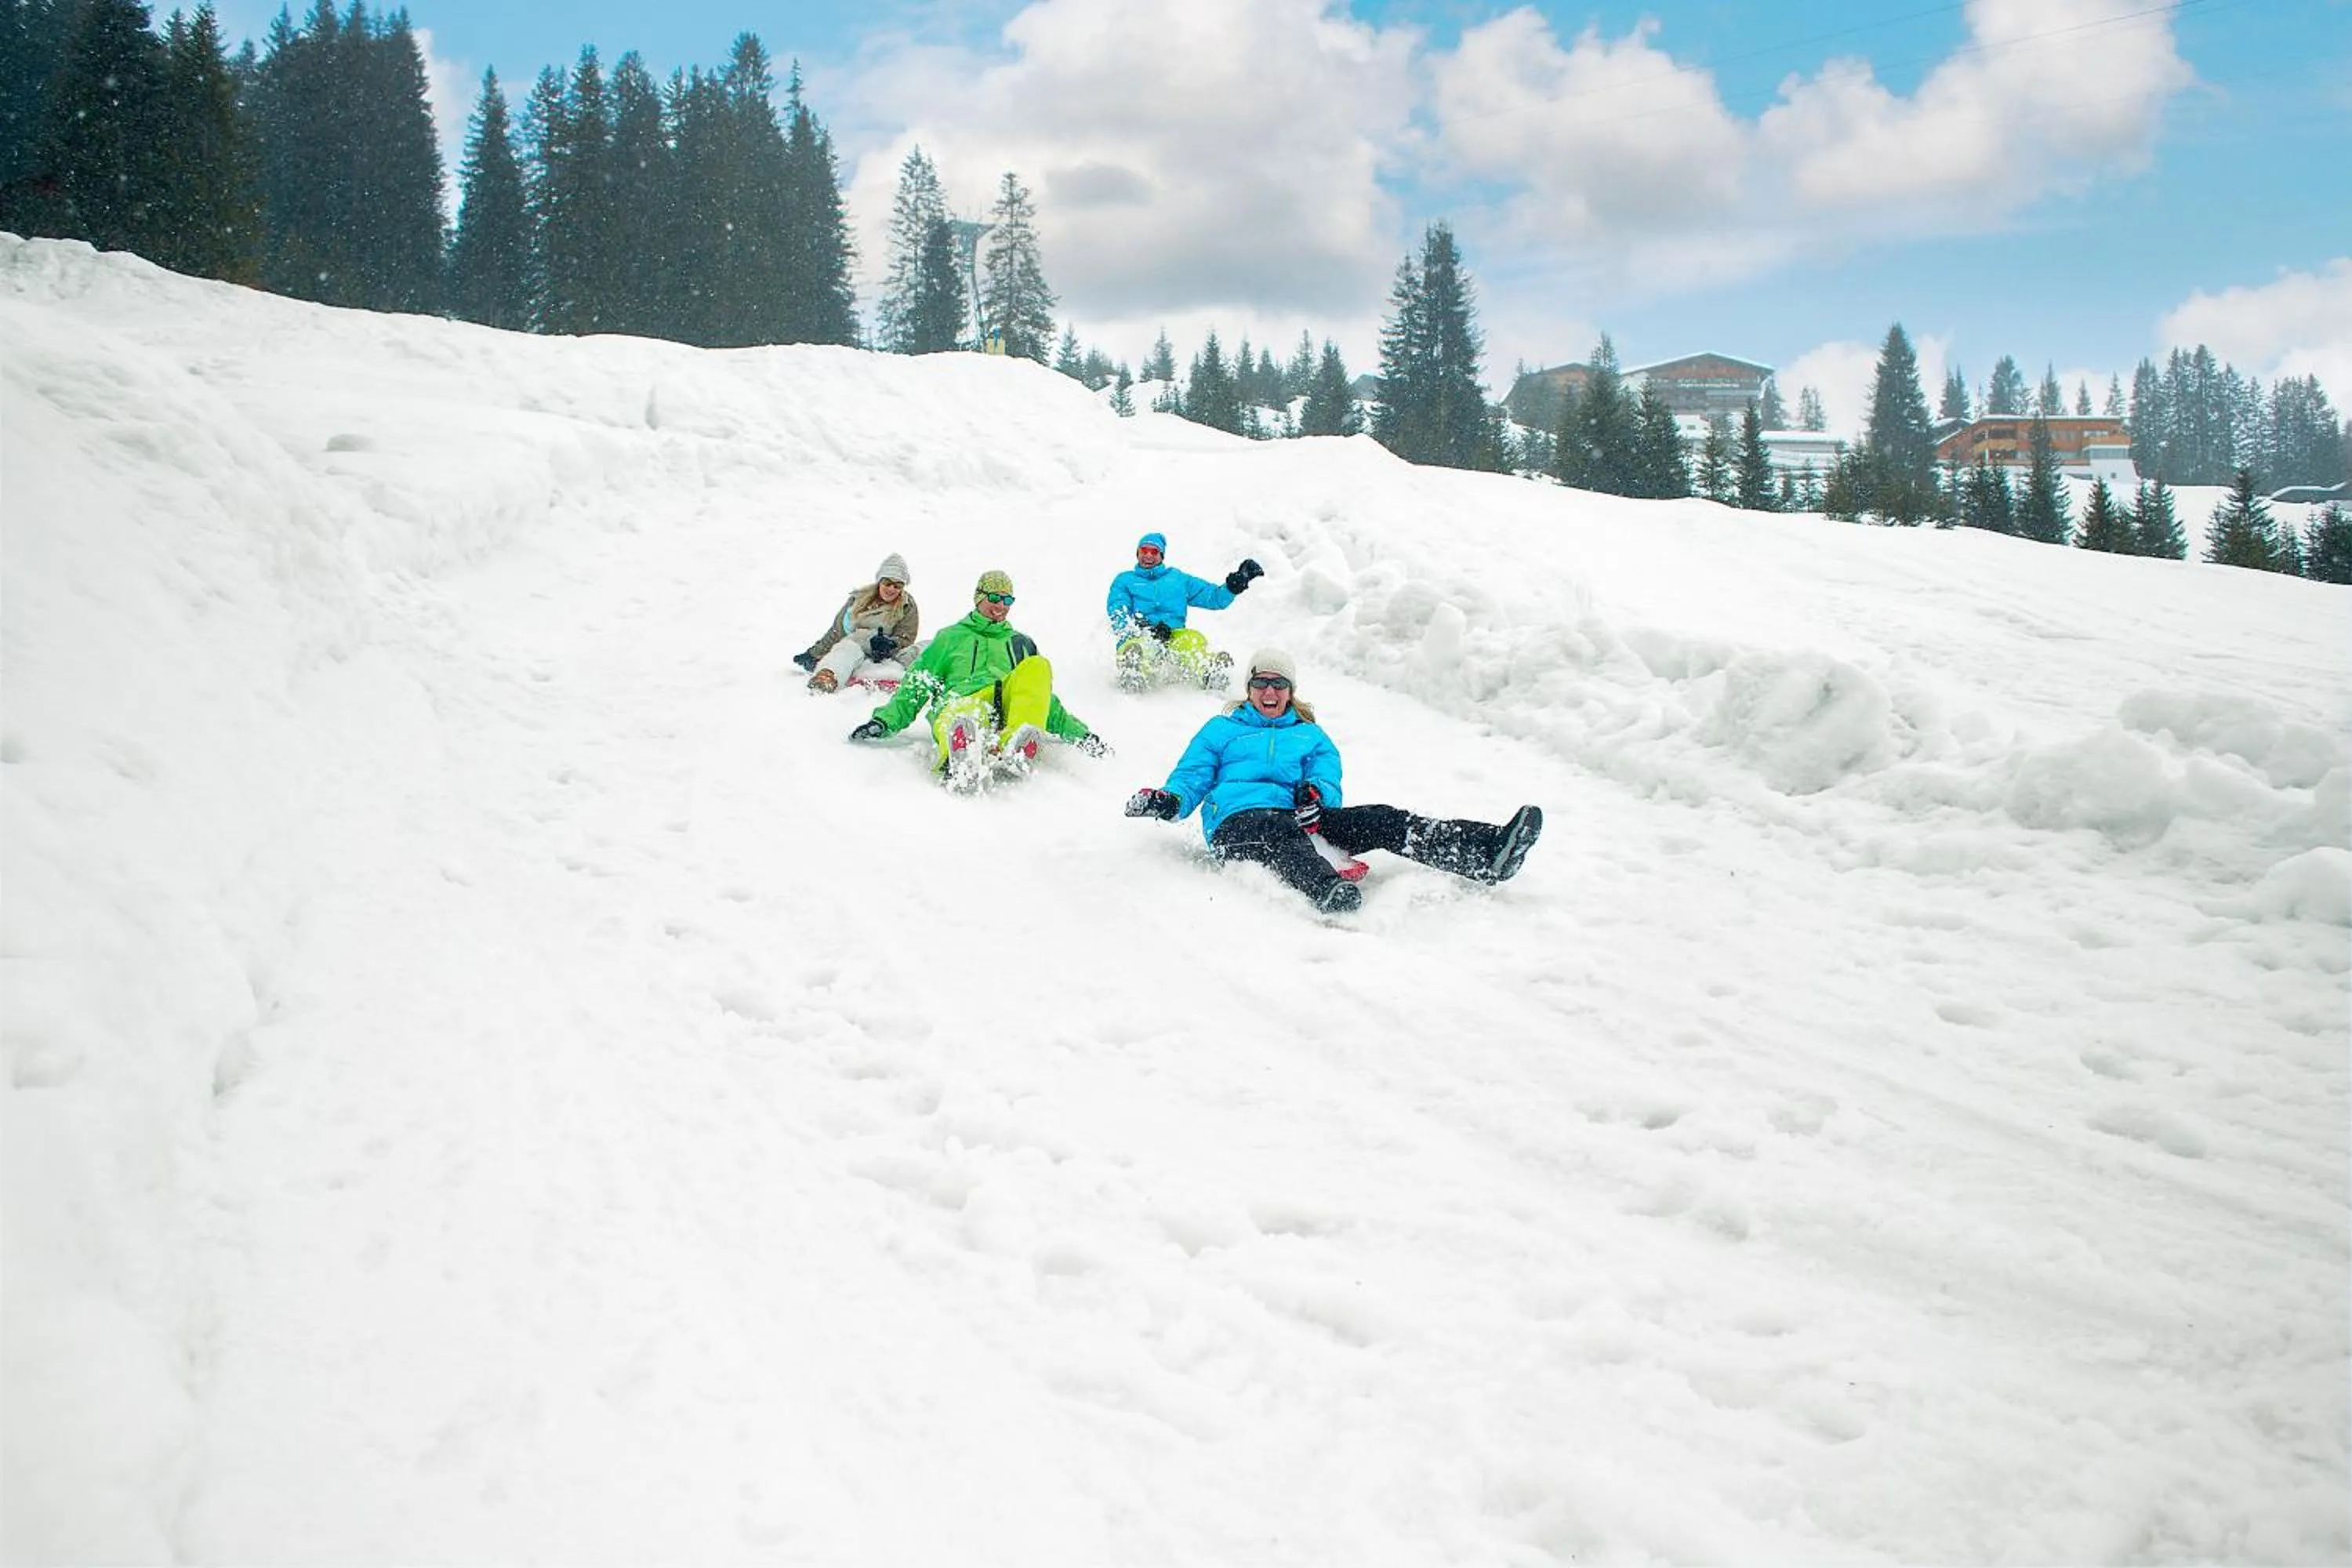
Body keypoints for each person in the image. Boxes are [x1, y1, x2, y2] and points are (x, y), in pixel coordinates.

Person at [1123, 648, 1541, 913]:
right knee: (1278, 830)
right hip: (1238, 823)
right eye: (1261, 683)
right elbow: (1192, 778)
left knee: (1382, 818)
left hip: (1301, 818)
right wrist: (1167, 802)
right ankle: (1327, 888)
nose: (1270, 691)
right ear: (1249, 688)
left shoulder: (1310, 734)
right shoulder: (1220, 730)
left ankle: (1484, 853)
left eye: (1278, 684)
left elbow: (1326, 777)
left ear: (1291, 691)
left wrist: (1315, 796)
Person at [848, 569, 1108, 769]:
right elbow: (918, 682)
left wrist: (1080, 734)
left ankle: (1016, 746)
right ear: (979, 597)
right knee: (962, 714)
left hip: (1005, 709)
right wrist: (884, 721)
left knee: (1038, 666)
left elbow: (1037, 697)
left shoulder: (1020, 643)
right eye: (995, 598)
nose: (1001, 606)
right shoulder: (950, 638)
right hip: (960, 703)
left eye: (1008, 600)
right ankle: (960, 757)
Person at [1105, 532, 1264, 691]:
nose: (1148, 555)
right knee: (1139, 648)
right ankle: (1133, 671)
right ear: (1137, 553)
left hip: (1173, 635)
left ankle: (1210, 672)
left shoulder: (1178, 580)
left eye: (1153, 552)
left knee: (1193, 640)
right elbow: (1118, 611)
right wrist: (1139, 629)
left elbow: (1213, 597)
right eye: (1144, 550)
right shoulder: (1124, 580)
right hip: (1139, 636)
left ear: (1161, 555)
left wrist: (1234, 586)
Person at [794, 553, 921, 695]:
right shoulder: (858, 600)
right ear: (879, 581)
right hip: (856, 652)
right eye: (887, 583)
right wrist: (813, 654)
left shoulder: (907, 605)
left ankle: (933, 678)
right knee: (846, 648)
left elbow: (906, 637)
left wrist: (890, 644)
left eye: (897, 586)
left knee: (930, 645)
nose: (891, 589)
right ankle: (827, 678)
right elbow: (837, 632)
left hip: (888, 657)